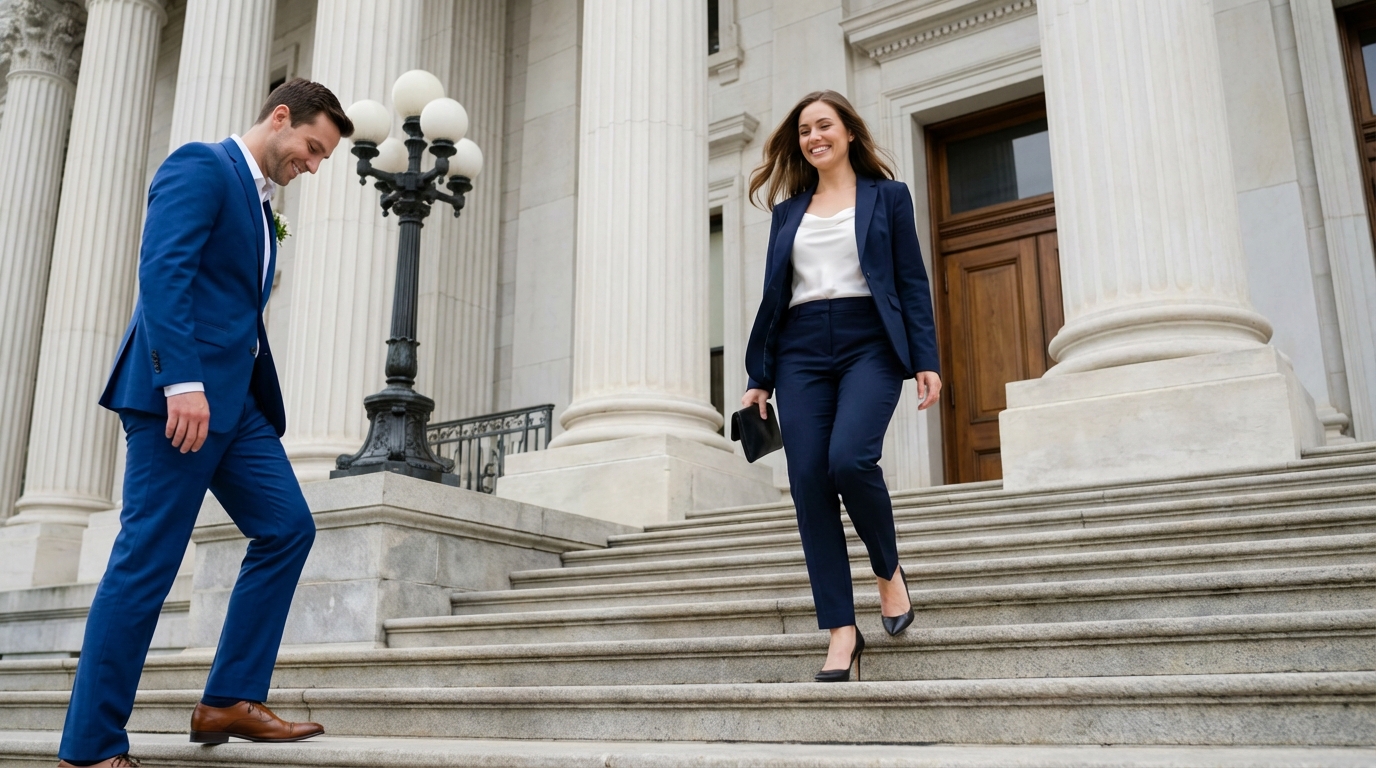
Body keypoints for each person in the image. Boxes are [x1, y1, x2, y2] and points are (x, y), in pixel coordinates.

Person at [57, 79, 354, 768]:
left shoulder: (262, 204)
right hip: (179, 399)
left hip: (236, 405)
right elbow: (163, 272)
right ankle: (91, 747)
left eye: (322, 159)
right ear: (280, 118)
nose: (311, 166)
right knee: (147, 563)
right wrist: (180, 380)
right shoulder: (201, 165)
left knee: (287, 528)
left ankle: (228, 700)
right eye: (311, 148)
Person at [742, 90, 941, 683]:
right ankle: (840, 630)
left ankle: (887, 571)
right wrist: (760, 377)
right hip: (801, 348)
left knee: (850, 460)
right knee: (807, 481)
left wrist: (925, 357)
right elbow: (773, 298)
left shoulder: (889, 197)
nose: (813, 137)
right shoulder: (788, 212)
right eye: (804, 130)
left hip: (869, 342)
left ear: (849, 132)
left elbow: (911, 281)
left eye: (823, 125)